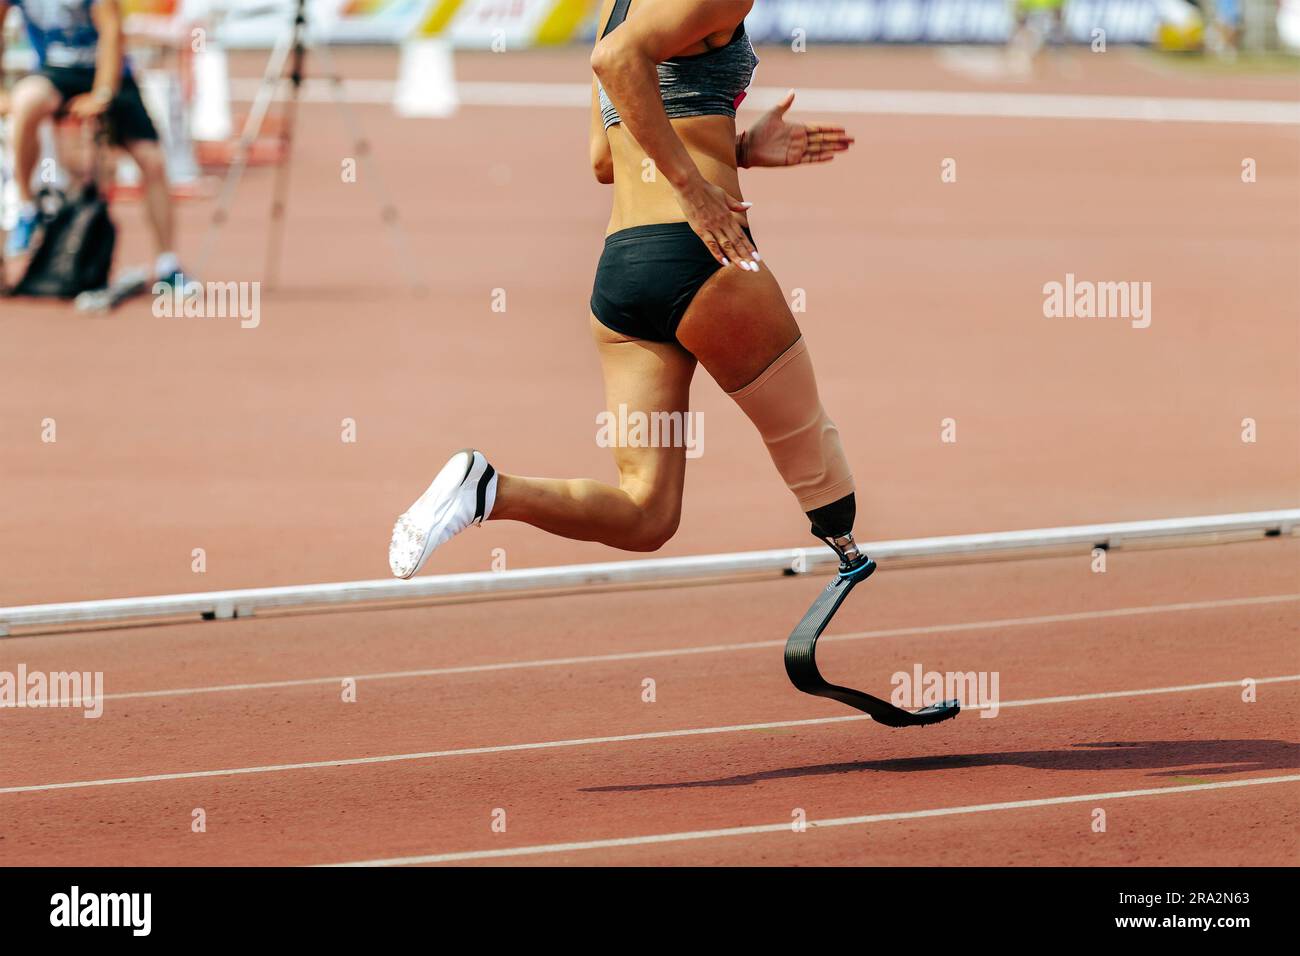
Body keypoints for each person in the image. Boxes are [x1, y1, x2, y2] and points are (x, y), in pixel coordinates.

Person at [388, 0, 864, 582]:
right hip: (706, 258)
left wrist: (738, 150)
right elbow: (617, 60)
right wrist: (692, 185)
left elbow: (603, 160)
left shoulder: (617, 8)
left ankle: (486, 490)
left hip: (626, 276)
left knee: (647, 513)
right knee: (801, 431)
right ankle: (848, 553)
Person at [0, 0, 182, 282]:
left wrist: (103, 93)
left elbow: (111, 30)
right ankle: (27, 208)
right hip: (55, 72)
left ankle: (168, 264)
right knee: (25, 102)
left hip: (112, 74)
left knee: (152, 160)